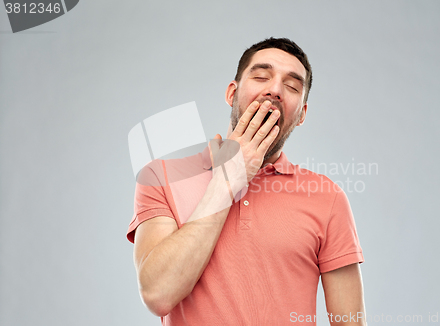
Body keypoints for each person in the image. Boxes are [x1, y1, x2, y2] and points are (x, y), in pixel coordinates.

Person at [127, 37, 366, 325]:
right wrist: (229, 179)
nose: (275, 90)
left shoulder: (328, 198)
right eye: (261, 76)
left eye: (292, 86)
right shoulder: (160, 178)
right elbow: (158, 294)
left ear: (301, 115)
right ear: (232, 93)